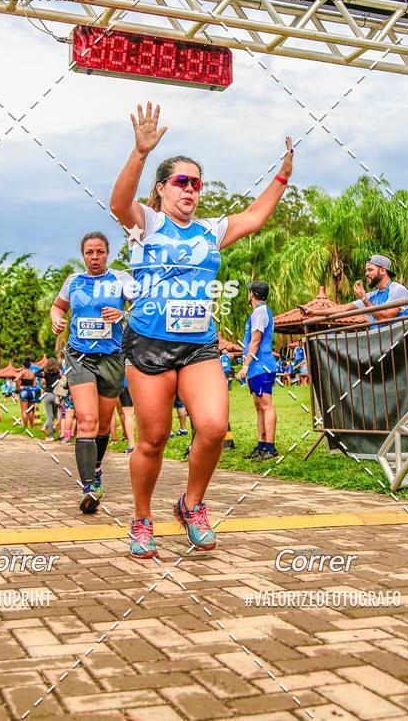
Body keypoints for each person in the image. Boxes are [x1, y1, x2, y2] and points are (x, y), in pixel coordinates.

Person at [110, 101, 294, 559]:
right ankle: (141, 518)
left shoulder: (211, 230)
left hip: (199, 347)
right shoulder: (147, 224)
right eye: (181, 182)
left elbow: (254, 217)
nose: (190, 190)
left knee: (213, 427)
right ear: (163, 188)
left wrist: (283, 176)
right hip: (149, 346)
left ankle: (191, 505)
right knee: (151, 440)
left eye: (196, 183)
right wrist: (140, 152)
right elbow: (118, 203)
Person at [50, 232, 134, 514]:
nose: (94, 257)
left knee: (102, 424)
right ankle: (88, 487)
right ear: (83, 254)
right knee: (86, 420)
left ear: (107, 254)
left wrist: (123, 315)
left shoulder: (121, 279)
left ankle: (96, 470)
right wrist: (57, 320)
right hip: (80, 357)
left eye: (99, 251)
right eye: (89, 252)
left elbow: (144, 307)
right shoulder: (73, 281)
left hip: (111, 358)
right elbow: (57, 307)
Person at [237, 282, 279, 460]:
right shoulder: (257, 312)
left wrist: (245, 366)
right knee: (258, 406)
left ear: (252, 294)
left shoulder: (260, 312)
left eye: (249, 292)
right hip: (256, 367)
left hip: (262, 364)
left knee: (266, 405)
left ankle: (270, 447)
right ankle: (261, 445)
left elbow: (255, 341)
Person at [309, 255, 408, 327]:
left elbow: (385, 318)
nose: (366, 273)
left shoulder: (398, 290)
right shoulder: (372, 295)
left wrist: (363, 298)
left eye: (370, 270)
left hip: (397, 344)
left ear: (383, 270)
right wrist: (313, 312)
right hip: (379, 344)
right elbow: (343, 308)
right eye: (366, 271)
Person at [14, 358, 41, 430]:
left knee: (24, 410)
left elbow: (16, 379)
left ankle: (25, 427)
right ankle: (32, 427)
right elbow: (35, 385)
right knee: (30, 410)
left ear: (23, 365)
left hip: (24, 391)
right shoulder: (33, 373)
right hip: (31, 391)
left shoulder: (23, 372)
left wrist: (19, 387)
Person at [41, 358, 62, 440]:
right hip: (56, 395)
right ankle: (57, 431)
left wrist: (44, 368)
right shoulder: (58, 374)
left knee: (50, 416)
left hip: (47, 395)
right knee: (56, 415)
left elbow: (36, 373)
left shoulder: (45, 374)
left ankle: (50, 435)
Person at [117, 376, 137, 454]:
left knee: (128, 414)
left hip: (124, 383)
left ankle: (132, 446)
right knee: (141, 413)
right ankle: (146, 445)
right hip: (138, 382)